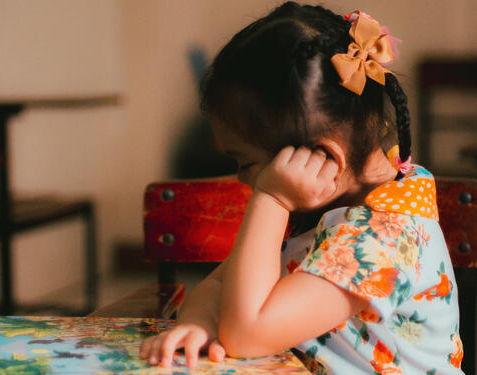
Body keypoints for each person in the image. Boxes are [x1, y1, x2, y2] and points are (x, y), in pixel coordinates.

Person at [139, 2, 464, 374]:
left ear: (323, 158)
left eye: (246, 164)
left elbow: (246, 334)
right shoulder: (321, 205)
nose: (244, 180)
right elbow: (217, 286)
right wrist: (196, 324)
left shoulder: (382, 239)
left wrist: (271, 198)